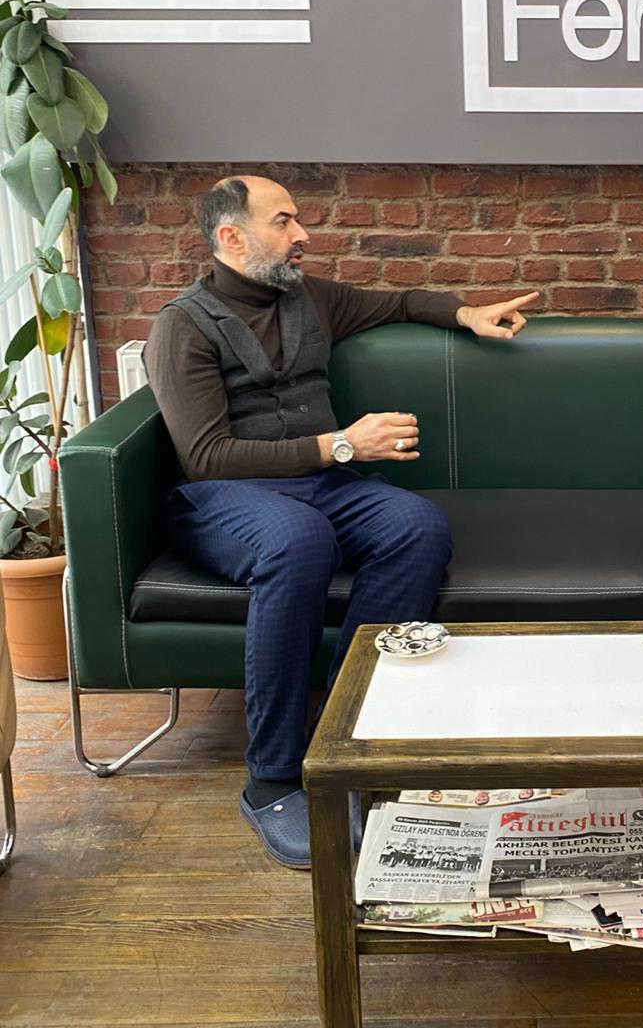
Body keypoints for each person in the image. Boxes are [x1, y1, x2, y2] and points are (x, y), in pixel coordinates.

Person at [144, 174, 537, 869]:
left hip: (318, 484)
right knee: (298, 541)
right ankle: (271, 778)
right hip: (224, 496)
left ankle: (349, 729)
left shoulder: (310, 297)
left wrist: (467, 314)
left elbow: (401, 301)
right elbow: (206, 457)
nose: (302, 234)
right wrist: (343, 445)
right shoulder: (182, 325)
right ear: (232, 237)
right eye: (283, 222)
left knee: (417, 527)